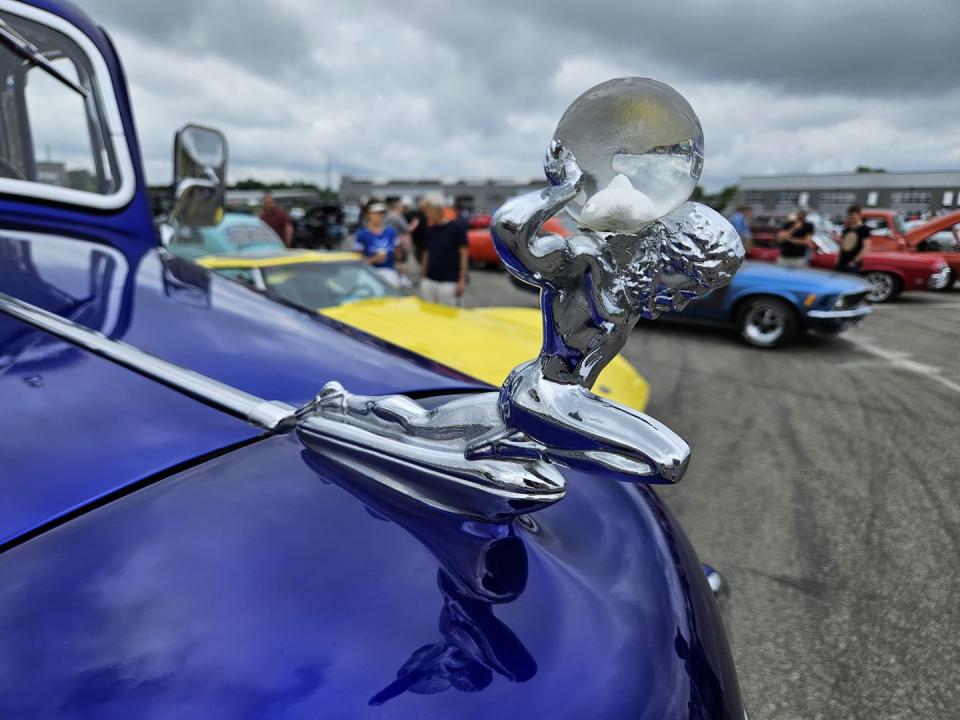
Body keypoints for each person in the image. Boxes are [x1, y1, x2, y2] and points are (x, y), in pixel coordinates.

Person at [420, 192, 468, 306]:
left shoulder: (457, 228)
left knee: (448, 318)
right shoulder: (431, 230)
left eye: (428, 210)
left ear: (437, 209)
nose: (426, 214)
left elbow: (464, 254)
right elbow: (427, 253)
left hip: (449, 283)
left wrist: (461, 280)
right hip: (429, 281)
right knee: (428, 315)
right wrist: (423, 277)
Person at [354, 200, 400, 285]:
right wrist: (374, 259)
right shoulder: (362, 234)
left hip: (389, 274)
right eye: (376, 213)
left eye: (382, 213)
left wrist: (402, 250)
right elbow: (358, 261)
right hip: (369, 275)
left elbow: (398, 257)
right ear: (368, 214)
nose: (380, 216)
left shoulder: (391, 232)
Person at [837, 205, 872, 272]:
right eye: (850, 216)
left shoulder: (864, 229)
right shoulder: (847, 229)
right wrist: (838, 259)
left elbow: (866, 247)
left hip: (852, 264)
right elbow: (842, 246)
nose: (852, 218)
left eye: (854, 216)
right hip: (842, 262)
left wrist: (854, 261)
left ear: (859, 215)